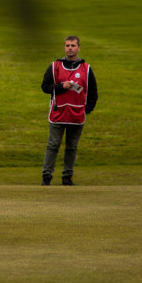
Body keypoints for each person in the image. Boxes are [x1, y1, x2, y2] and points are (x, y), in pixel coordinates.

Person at [40, 35, 98, 186]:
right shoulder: (54, 66)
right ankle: (46, 176)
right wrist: (60, 87)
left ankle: (67, 177)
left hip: (77, 115)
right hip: (58, 113)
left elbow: (93, 93)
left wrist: (87, 110)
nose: (70, 48)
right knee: (53, 145)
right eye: (67, 45)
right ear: (64, 48)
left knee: (72, 147)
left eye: (73, 45)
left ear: (78, 48)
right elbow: (45, 87)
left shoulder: (86, 69)